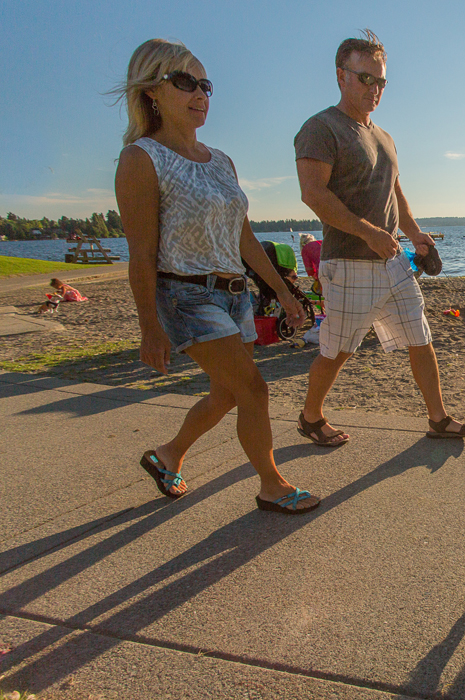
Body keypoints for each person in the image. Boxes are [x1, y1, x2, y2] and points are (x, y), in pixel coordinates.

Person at [113, 39, 319, 513]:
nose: (200, 93)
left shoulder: (221, 160)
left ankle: (167, 456)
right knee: (254, 389)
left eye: (206, 84)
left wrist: (284, 293)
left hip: (234, 295)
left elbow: (244, 239)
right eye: (185, 82)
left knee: (227, 393)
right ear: (151, 92)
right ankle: (272, 485)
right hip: (185, 295)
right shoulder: (141, 159)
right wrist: (149, 326)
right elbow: (141, 253)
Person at [293, 30, 465, 445]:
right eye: (365, 79)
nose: (374, 89)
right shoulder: (321, 128)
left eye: (381, 81)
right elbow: (313, 194)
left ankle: (438, 418)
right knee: (337, 350)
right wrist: (369, 233)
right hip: (348, 262)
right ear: (341, 75)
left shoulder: (385, 136)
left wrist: (417, 237)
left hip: (393, 260)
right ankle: (310, 416)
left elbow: (395, 191)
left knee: (421, 337)